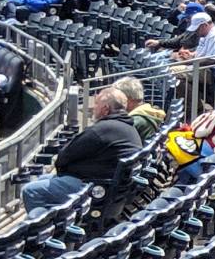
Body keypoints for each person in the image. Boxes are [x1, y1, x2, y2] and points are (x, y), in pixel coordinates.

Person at [21, 86, 145, 214]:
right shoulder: (129, 128)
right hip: (112, 189)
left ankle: (44, 229)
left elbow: (64, 156)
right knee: (43, 179)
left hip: (97, 190)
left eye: (96, 104)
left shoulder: (102, 130)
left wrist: (65, 171)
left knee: (31, 190)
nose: (93, 108)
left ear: (105, 109)